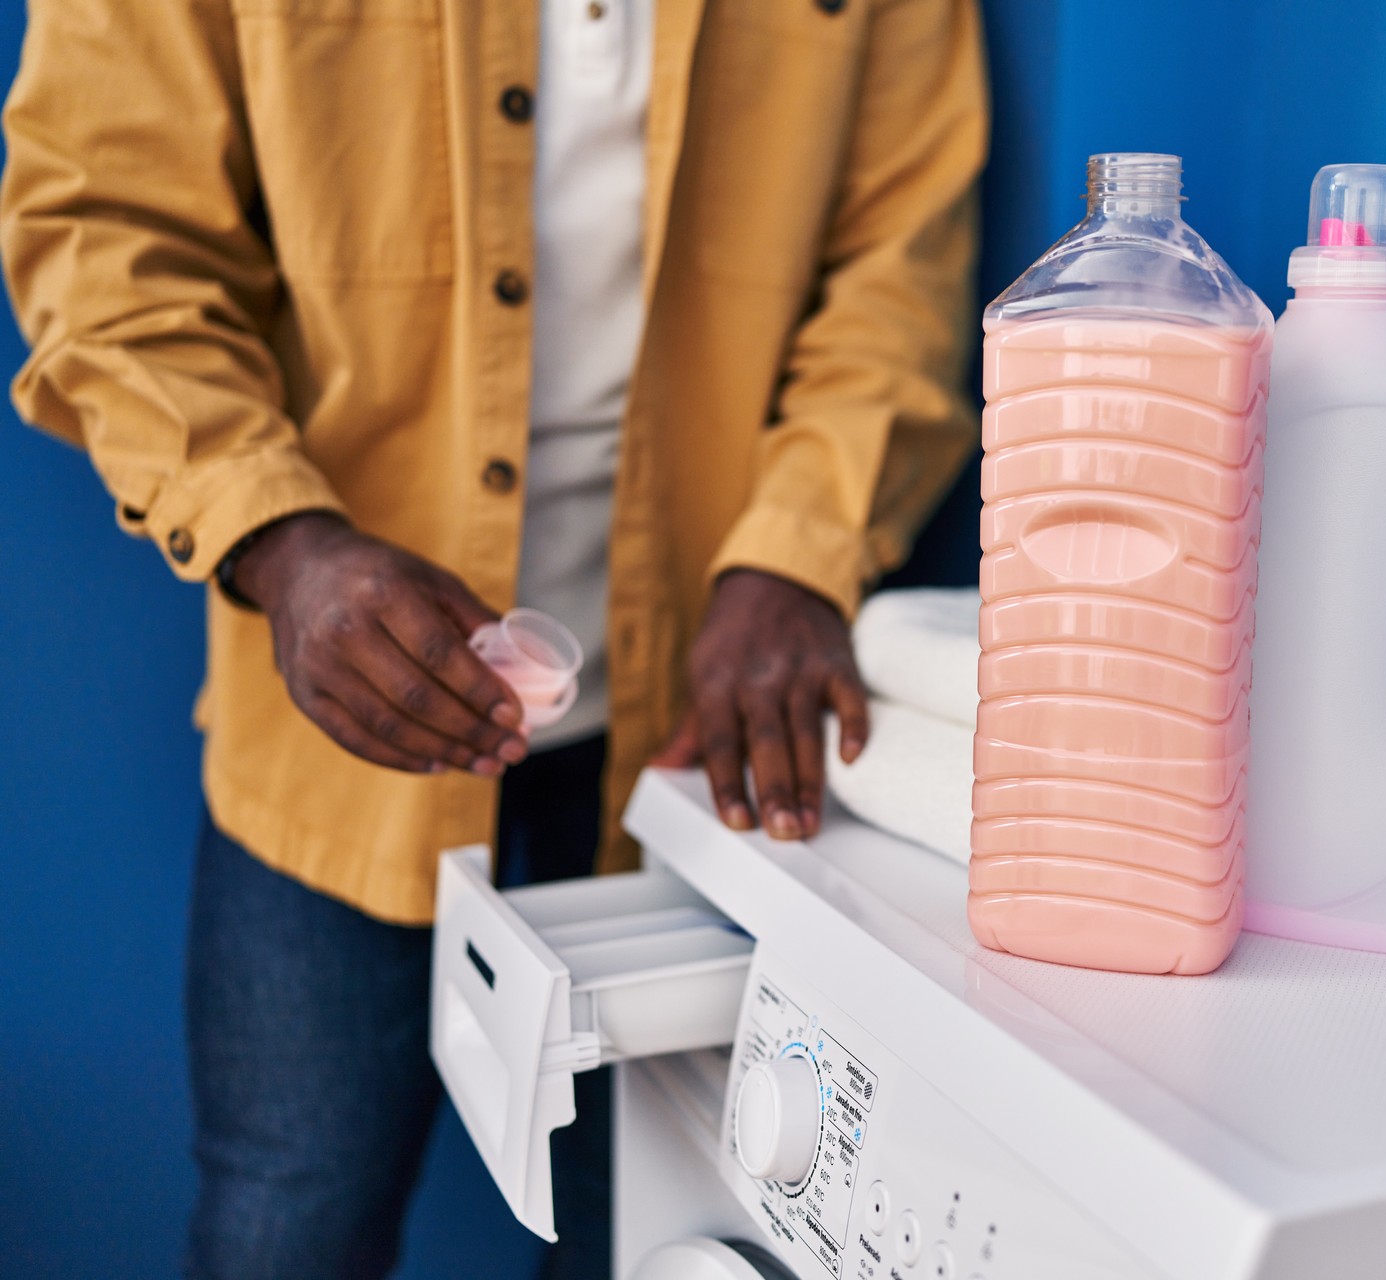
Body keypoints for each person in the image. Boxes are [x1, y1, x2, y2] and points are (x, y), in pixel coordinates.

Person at [0, 0, 986, 1274]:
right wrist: (282, 543)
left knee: (640, 1228)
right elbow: (104, 226)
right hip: (335, 752)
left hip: (693, 757)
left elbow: (897, 264)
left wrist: (799, 552)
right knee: (283, 1222)